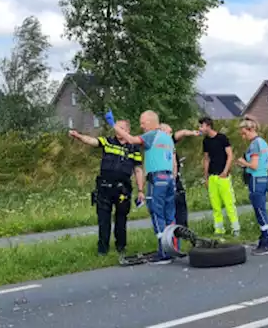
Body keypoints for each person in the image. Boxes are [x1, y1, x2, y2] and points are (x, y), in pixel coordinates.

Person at [68, 119, 144, 259]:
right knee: (104, 220)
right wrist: (79, 136)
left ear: (127, 130)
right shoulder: (108, 142)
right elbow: (92, 141)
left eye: (121, 128)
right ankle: (102, 250)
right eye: (116, 127)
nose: (118, 130)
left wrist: (140, 190)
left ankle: (121, 247)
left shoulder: (134, 148)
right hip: (104, 187)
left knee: (121, 219)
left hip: (123, 189)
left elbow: (138, 170)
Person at [116, 111, 177, 262]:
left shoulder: (152, 135)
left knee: (157, 214)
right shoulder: (167, 138)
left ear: (151, 122)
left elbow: (130, 139)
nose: (141, 126)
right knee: (170, 215)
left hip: (157, 178)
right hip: (169, 178)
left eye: (143, 122)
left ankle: (163, 253)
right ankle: (173, 248)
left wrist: (114, 126)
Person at [176, 117, 239, 236]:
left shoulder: (222, 138)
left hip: (223, 176)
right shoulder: (206, 141)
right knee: (215, 205)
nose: (200, 128)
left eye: (201, 126)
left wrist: (225, 171)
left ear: (208, 125)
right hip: (212, 176)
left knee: (229, 202)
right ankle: (219, 229)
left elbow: (230, 155)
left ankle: (235, 227)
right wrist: (206, 176)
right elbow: (206, 158)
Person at [235, 116, 268, 255]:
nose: (242, 136)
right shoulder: (263, 143)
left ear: (250, 130)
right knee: (261, 209)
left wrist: (242, 162)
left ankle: (267, 241)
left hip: (256, 179)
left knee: (259, 211)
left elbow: (254, 165)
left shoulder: (255, 144)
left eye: (244, 133)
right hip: (263, 178)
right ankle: (264, 238)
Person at [160, 123, 189, 227]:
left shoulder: (169, 142)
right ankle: (173, 230)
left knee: (180, 205)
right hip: (168, 180)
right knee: (171, 207)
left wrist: (189, 132)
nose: (171, 134)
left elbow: (181, 133)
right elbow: (173, 165)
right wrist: (173, 178)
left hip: (174, 180)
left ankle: (182, 229)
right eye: (169, 132)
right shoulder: (162, 145)